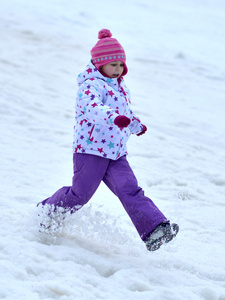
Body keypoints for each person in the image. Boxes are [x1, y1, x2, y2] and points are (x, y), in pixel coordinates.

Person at [37, 29, 179, 251]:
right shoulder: (90, 85)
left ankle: (154, 230)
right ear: (99, 64)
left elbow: (124, 114)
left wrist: (134, 125)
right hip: (91, 150)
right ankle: (45, 213)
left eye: (121, 65)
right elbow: (92, 109)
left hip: (115, 153)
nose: (118, 69)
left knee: (130, 189)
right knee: (80, 194)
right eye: (113, 65)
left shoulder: (121, 87)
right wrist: (115, 118)